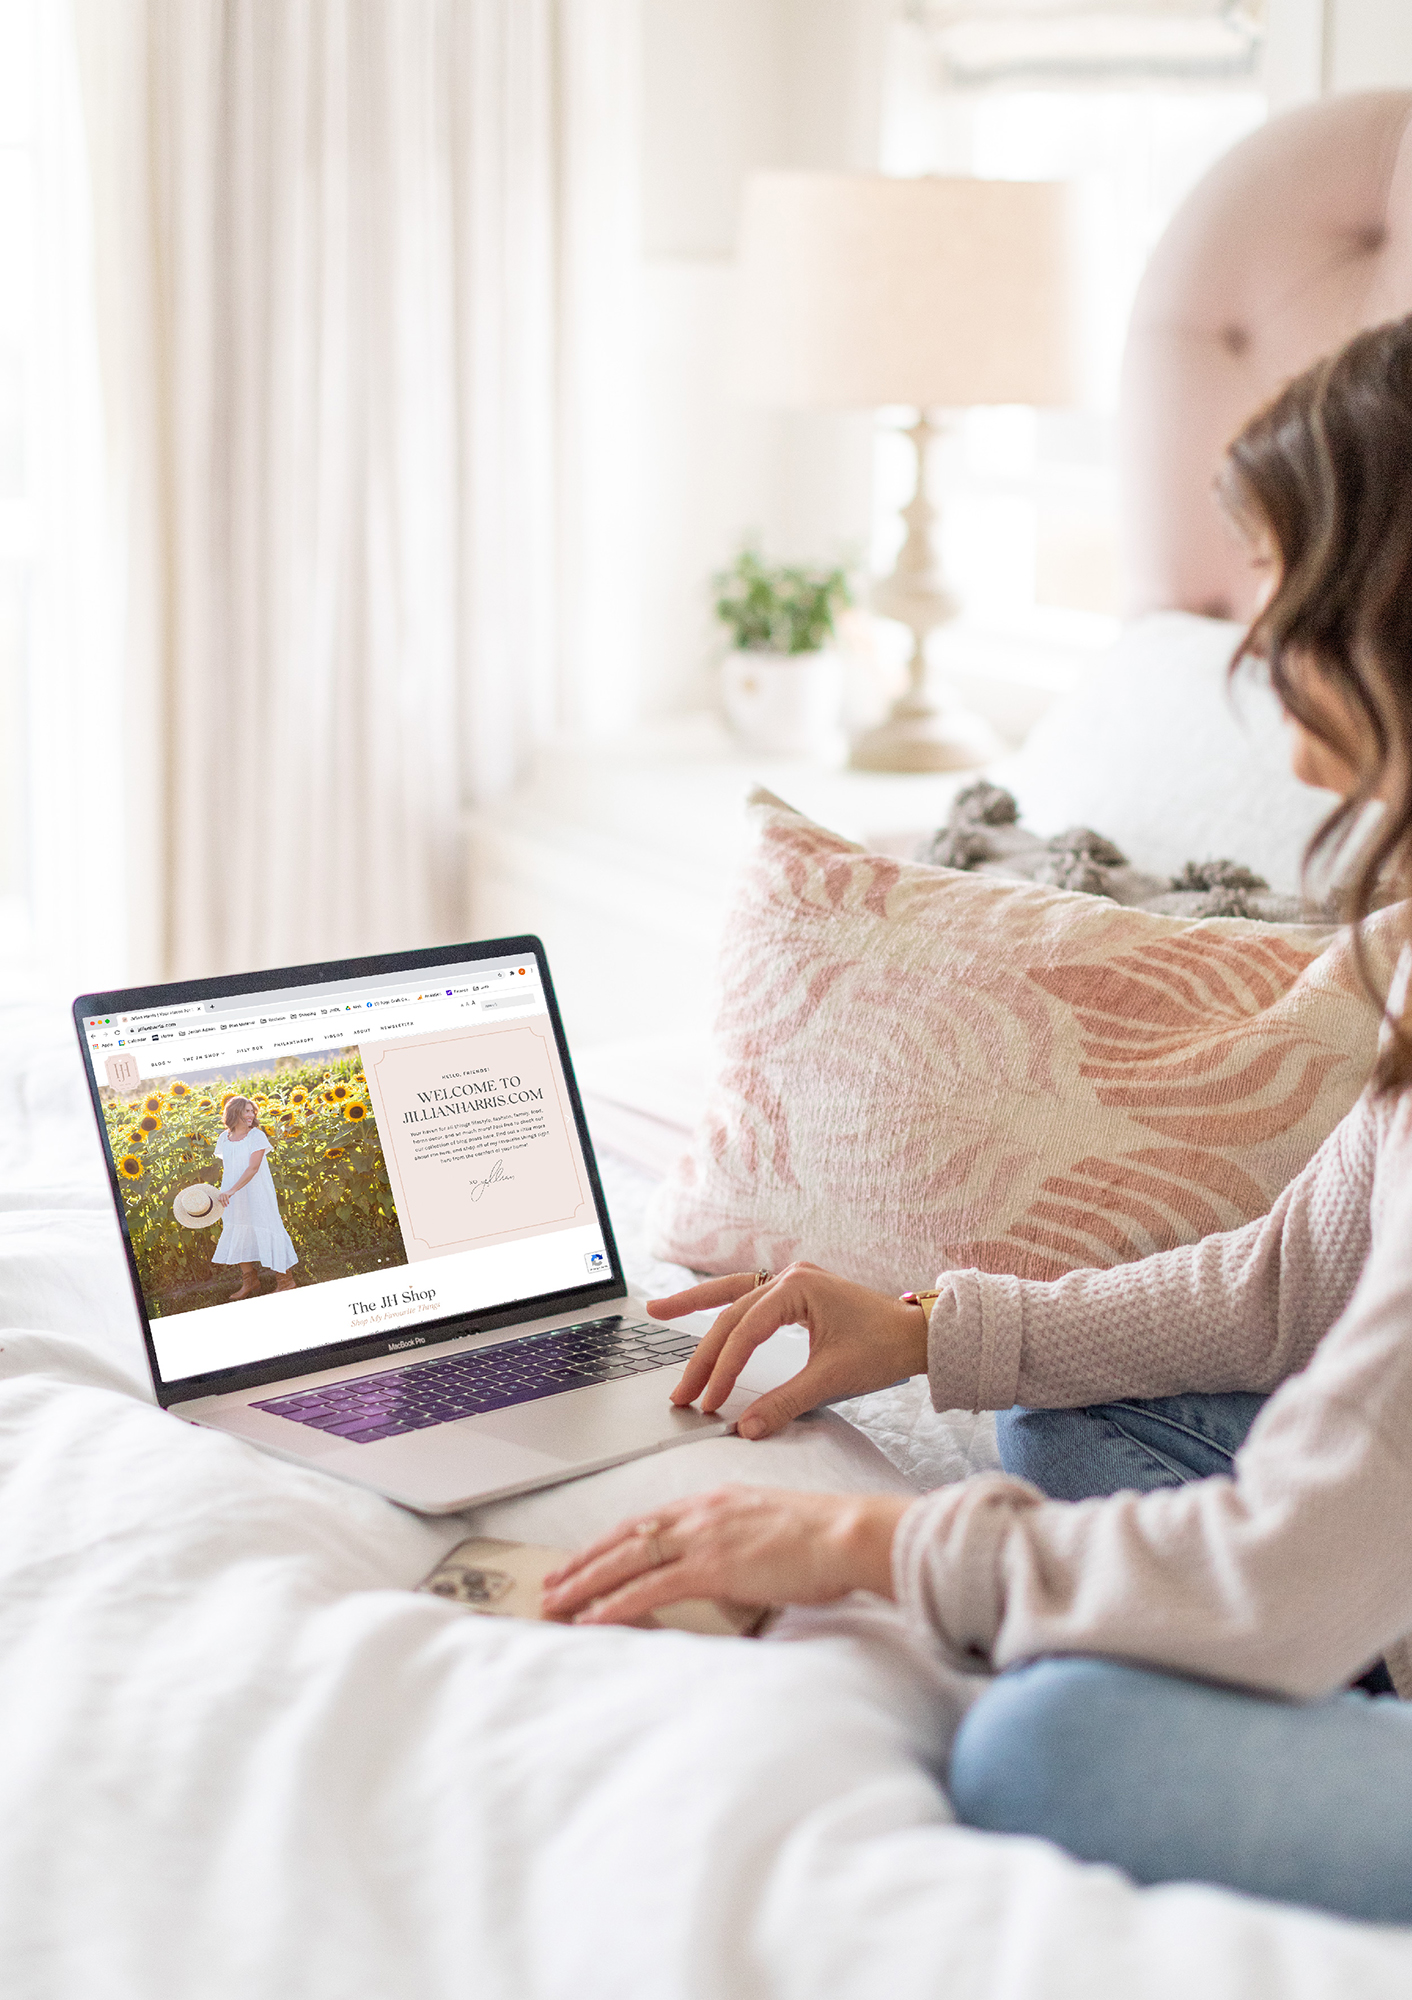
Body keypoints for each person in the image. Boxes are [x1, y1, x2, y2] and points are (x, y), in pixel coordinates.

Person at [542, 317, 1412, 1926]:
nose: (1255, 634)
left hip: (1328, 1575)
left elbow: (1284, 1580)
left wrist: (870, 1550)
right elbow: (1293, 1291)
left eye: (1284, 585)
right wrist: (933, 1330)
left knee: (1049, 1747)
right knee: (1061, 1424)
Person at [212, 1095, 299, 1300]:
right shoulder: (224, 1137)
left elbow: (253, 1168)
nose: (251, 1115)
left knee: (269, 1225)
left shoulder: (256, 1136)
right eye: (247, 1111)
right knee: (238, 1227)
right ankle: (250, 1281)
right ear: (234, 1113)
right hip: (233, 1193)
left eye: (252, 1111)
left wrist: (232, 1190)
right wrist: (227, 1190)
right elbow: (230, 1166)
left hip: (256, 1190)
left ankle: (286, 1281)